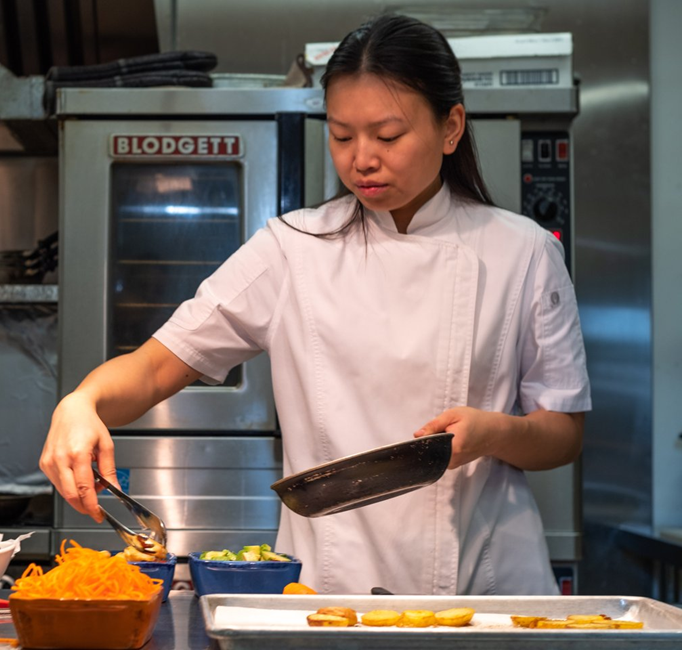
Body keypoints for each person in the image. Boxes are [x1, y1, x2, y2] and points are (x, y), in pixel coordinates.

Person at [40, 14, 590, 595]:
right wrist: (83, 401)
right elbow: (155, 365)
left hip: (483, 586)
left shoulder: (522, 249)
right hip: (331, 590)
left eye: (388, 135)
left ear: (450, 128)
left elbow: (563, 431)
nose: (362, 159)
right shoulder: (292, 248)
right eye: (342, 135)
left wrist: (493, 432)